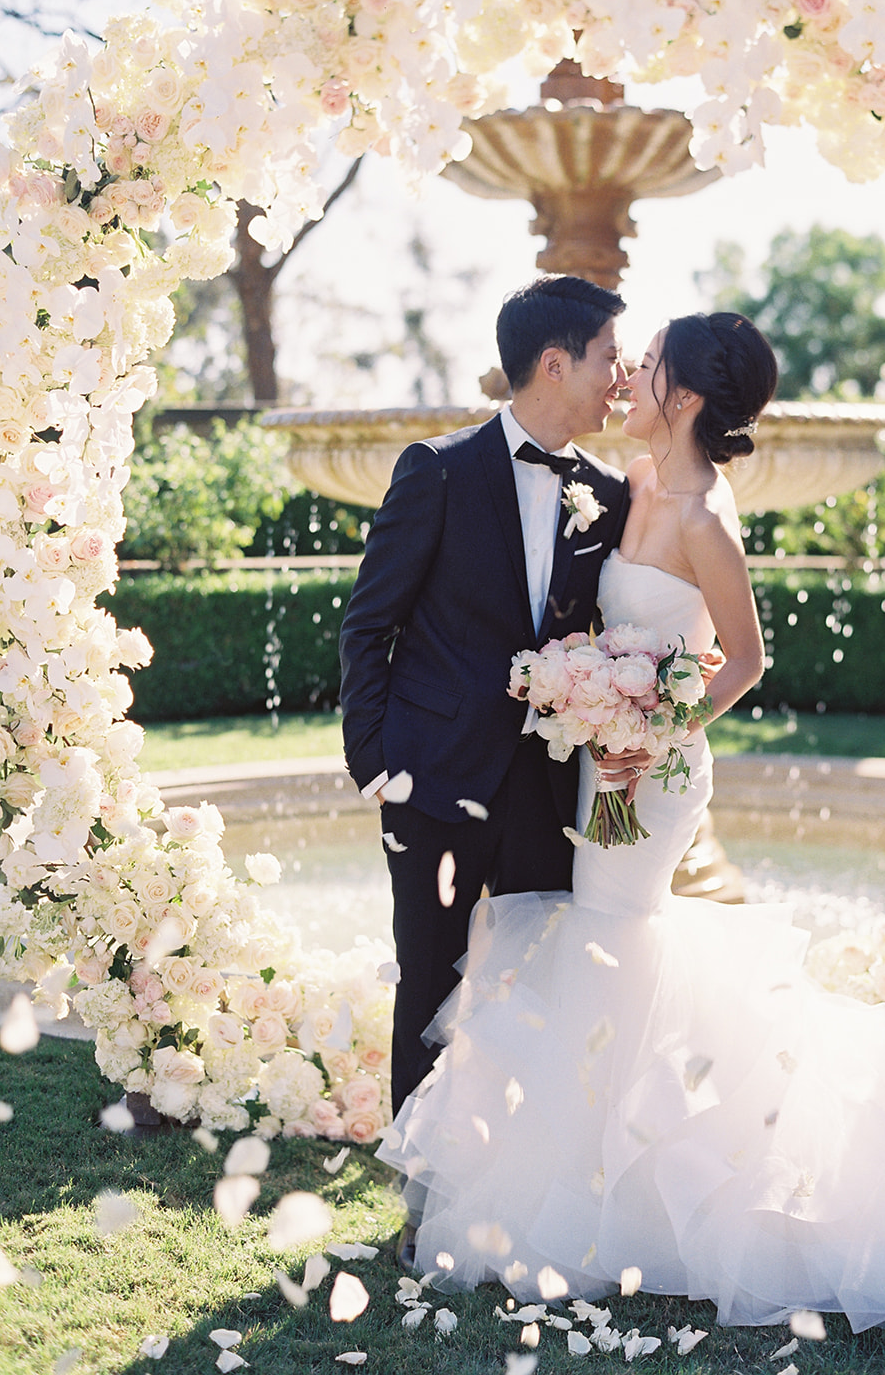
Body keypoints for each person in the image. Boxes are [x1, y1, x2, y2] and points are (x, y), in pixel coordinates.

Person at [379, 311, 885, 1365]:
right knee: (602, 943)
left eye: (645, 367)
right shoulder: (632, 487)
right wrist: (591, 702)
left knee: (612, 936)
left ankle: (615, 1194)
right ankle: (609, 1175)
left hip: (649, 778)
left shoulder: (703, 517)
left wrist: (654, 732)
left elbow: (743, 662)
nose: (630, 378)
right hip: (598, 758)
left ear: (687, 395)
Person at [339, 274, 632, 1138]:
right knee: (429, 980)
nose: (619, 376)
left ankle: (512, 1189)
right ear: (554, 363)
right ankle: (421, 1201)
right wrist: (376, 768)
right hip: (429, 780)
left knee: (539, 990)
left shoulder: (612, 494)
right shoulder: (437, 470)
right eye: (609, 357)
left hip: (548, 788)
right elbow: (369, 626)